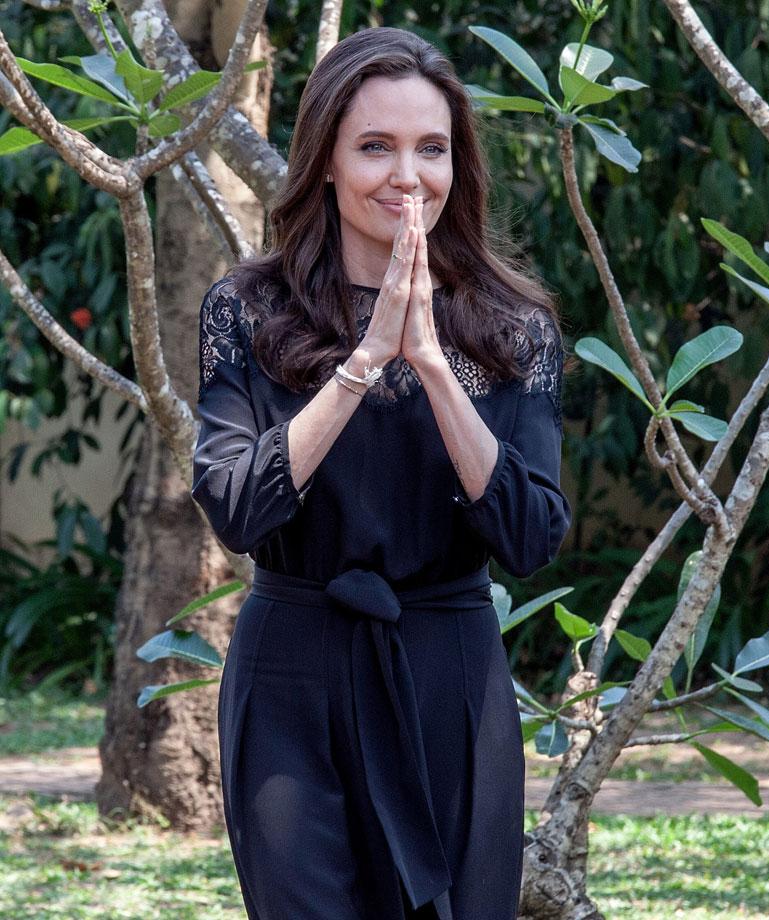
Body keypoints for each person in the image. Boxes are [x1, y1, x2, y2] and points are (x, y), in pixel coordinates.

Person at [192, 27, 569, 920]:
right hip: (292, 675)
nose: (409, 175)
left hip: (450, 678)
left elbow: (529, 535)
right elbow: (238, 509)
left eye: (430, 149)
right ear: (324, 159)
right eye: (376, 147)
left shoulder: (513, 328)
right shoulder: (247, 310)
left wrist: (432, 363)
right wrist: (364, 361)